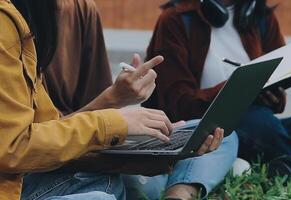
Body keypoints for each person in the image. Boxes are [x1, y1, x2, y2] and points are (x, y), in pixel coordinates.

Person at [0, 0, 227, 199]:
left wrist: (116, 101)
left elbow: (46, 131)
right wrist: (115, 122)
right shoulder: (8, 21)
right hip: (29, 174)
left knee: (218, 131)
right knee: (105, 192)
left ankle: (178, 193)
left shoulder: (53, 15)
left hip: (50, 162)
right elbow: (15, 147)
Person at [143, 0, 291, 174]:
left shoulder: (261, 17)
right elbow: (177, 103)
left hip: (262, 122)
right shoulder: (175, 20)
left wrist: (274, 97)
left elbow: (278, 76)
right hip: (209, 128)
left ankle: (289, 165)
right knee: (260, 122)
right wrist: (237, 89)